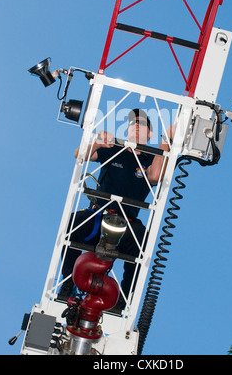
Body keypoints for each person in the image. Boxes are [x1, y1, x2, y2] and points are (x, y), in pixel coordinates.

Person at [58, 108, 173, 311]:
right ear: (127, 131)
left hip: (128, 222)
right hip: (100, 215)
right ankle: (68, 282)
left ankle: (122, 301)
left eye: (142, 123)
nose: (136, 125)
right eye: (132, 123)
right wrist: (97, 140)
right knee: (75, 221)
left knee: (142, 243)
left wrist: (168, 139)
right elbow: (80, 154)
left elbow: (155, 176)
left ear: (150, 134)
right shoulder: (114, 149)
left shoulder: (150, 158)